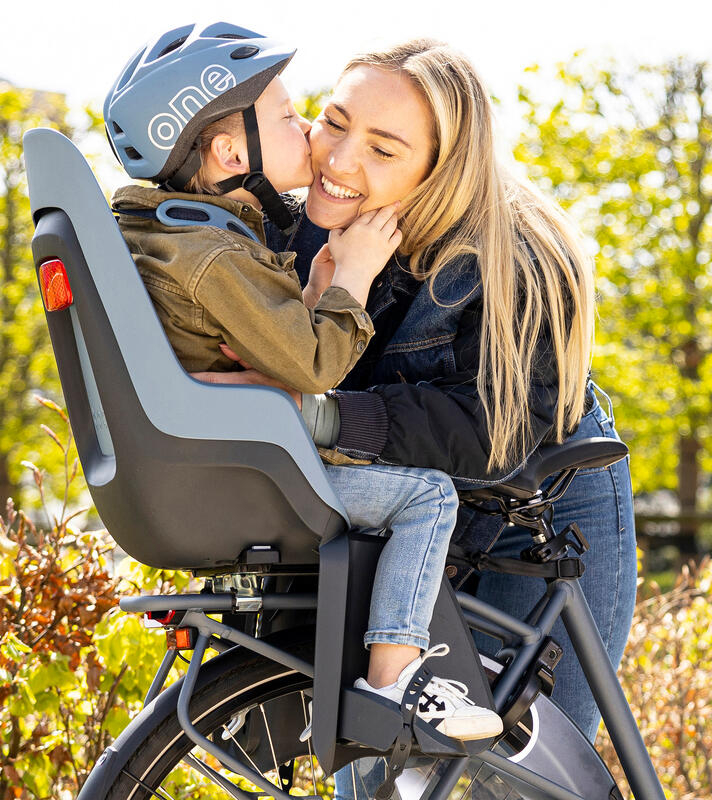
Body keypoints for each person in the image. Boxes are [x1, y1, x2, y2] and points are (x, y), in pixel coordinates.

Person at [221, 37, 637, 756]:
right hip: (403, 509)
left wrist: (319, 416)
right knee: (375, 756)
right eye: (334, 121)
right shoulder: (285, 229)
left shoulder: (514, 261)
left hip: (538, 503)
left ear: (439, 172)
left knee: (519, 767)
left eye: (384, 150)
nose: (341, 160)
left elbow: (491, 428)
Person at [104, 22, 503, 741]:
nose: (314, 137)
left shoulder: (168, 230)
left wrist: (315, 298)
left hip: (216, 465)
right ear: (230, 152)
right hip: (249, 472)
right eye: (298, 117)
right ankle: (394, 682)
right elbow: (316, 370)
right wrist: (350, 279)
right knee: (425, 497)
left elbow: (285, 351)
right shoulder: (216, 254)